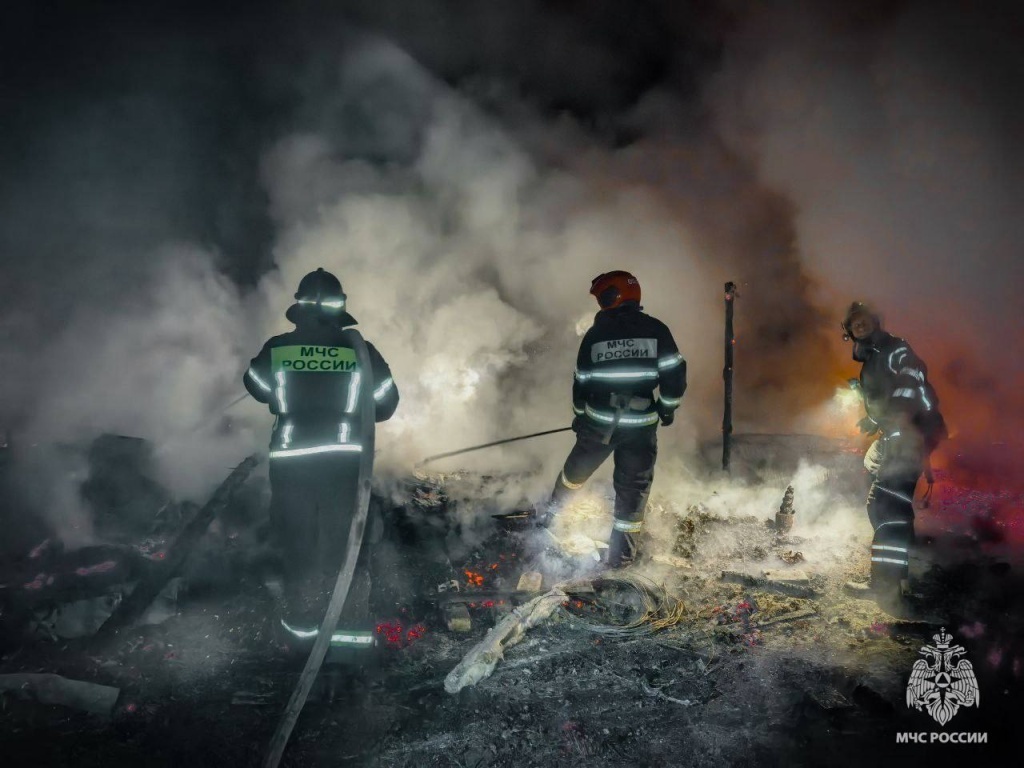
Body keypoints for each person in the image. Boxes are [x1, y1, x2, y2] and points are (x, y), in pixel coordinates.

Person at [243, 268, 399, 659]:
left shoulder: (277, 348)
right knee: (345, 550)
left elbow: (256, 386)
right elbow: (386, 405)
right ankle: (347, 647)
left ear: (297, 309)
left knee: (300, 549)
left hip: (292, 465)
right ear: (340, 310)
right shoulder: (360, 351)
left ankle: (302, 641)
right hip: (344, 467)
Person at [539, 271, 686, 568]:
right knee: (633, 490)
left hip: (598, 425)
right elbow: (675, 377)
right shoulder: (657, 330)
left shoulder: (595, 336)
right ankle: (620, 561)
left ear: (611, 297)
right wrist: (667, 409)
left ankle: (548, 517)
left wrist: (580, 417)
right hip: (640, 429)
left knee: (574, 473)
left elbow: (581, 383)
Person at [840, 301, 946, 605]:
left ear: (875, 321)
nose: (859, 326)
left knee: (887, 507)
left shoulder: (896, 348)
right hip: (900, 434)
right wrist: (873, 419)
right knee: (883, 505)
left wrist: (900, 423)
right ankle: (898, 578)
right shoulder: (872, 358)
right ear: (849, 332)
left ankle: (887, 586)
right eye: (854, 324)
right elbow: (886, 398)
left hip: (912, 433)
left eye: (863, 321)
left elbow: (910, 379)